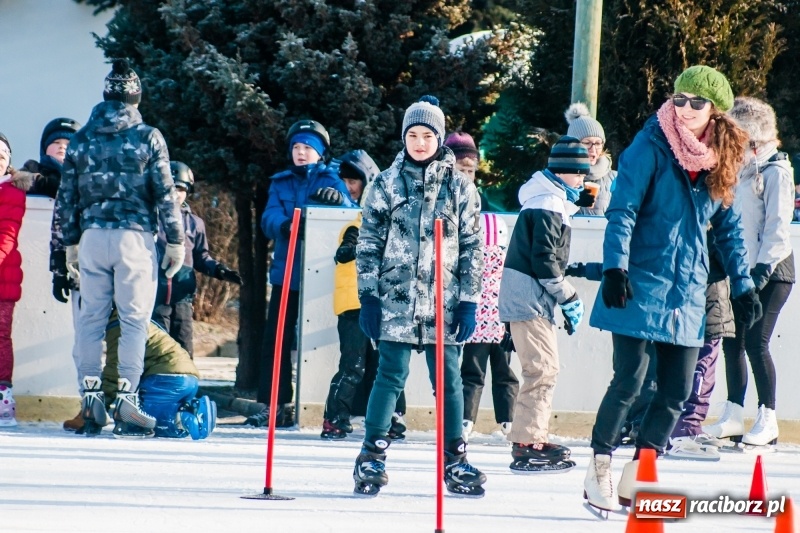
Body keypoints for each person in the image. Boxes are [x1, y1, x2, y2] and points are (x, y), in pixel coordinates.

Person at [582, 65, 760, 513]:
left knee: (677, 392)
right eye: (678, 99)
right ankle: (598, 466)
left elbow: (729, 225)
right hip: (640, 282)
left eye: (696, 103)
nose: (684, 109)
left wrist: (742, 285)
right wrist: (614, 269)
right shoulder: (651, 145)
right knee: (630, 380)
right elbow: (621, 211)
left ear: (716, 113)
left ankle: (637, 473)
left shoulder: (721, 156)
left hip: (686, 292)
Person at [352, 95, 486, 497]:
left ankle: (455, 459)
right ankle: (372, 453)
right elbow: (369, 242)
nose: (420, 142)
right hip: (395, 297)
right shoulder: (386, 183)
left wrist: (469, 299)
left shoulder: (460, 187)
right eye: (413, 134)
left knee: (447, 379)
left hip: (443, 301)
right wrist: (369, 297)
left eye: (428, 135)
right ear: (404, 138)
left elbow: (472, 246)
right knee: (390, 374)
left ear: (439, 138)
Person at [55, 58, 186, 438]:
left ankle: (91, 397)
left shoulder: (81, 139)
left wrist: (69, 245)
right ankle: (127, 401)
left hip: (92, 236)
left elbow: (67, 197)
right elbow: (165, 193)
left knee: (90, 321)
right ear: (136, 97)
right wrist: (175, 240)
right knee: (133, 321)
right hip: (134, 237)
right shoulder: (148, 136)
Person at [567, 227, 737, 462]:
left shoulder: (707, 234)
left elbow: (727, 258)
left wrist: (746, 281)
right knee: (645, 376)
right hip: (674, 314)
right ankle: (661, 427)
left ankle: (685, 426)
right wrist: (587, 270)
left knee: (691, 376)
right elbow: (624, 264)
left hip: (701, 313)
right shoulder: (666, 234)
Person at [247, 120, 355, 428]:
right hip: (287, 273)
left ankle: (326, 404)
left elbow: (350, 213)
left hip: (322, 275)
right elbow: (268, 216)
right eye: (296, 147)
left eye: (307, 147)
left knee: (321, 338)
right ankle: (274, 404)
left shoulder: (332, 178)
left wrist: (339, 202)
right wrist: (283, 225)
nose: (300, 153)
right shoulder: (281, 182)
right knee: (277, 339)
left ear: (319, 153)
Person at [703, 97, 795, 448]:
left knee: (757, 342)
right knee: (733, 342)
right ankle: (732, 414)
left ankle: (768, 417)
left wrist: (758, 275)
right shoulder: (740, 172)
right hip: (744, 271)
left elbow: (777, 229)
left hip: (773, 271)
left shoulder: (776, 172)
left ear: (755, 141)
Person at [496, 136, 589, 473]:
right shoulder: (548, 202)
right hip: (528, 298)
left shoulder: (548, 199)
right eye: (579, 173)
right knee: (542, 369)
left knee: (543, 368)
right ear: (565, 172)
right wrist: (569, 297)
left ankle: (530, 438)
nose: (583, 180)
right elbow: (545, 262)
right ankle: (528, 444)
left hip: (529, 297)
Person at [321, 149, 408, 440]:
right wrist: (353, 250)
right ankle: (335, 417)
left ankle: (392, 417)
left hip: (385, 304)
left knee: (389, 363)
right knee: (353, 364)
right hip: (354, 305)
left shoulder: (395, 231)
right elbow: (344, 251)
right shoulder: (356, 225)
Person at [65, 310, 216, 439]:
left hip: (165, 378)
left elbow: (114, 371)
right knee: (151, 420)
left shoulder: (119, 328)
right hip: (184, 378)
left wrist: (97, 406)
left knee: (144, 423)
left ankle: (187, 416)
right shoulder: (134, 319)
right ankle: (186, 409)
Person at [152, 161, 242, 358]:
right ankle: (153, 387)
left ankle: (185, 386)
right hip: (155, 294)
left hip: (182, 295)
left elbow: (201, 256)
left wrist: (219, 270)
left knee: (183, 348)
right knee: (157, 347)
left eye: (181, 189)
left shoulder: (194, 223)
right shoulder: (151, 219)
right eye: (171, 187)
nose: (176, 194)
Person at [460, 211, 518, 442]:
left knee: (472, 376)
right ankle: (508, 421)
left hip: (475, 331)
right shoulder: (510, 262)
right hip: (503, 330)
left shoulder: (469, 261)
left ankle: (466, 421)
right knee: (505, 376)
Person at [0, 134, 34, 427]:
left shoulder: (12, 193)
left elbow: (7, 236)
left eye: (2, 155)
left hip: (4, 279)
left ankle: (3, 400)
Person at [564, 103, 617, 215]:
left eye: (598, 143)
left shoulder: (615, 178)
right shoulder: (561, 176)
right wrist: (573, 204)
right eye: (587, 143)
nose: (593, 149)